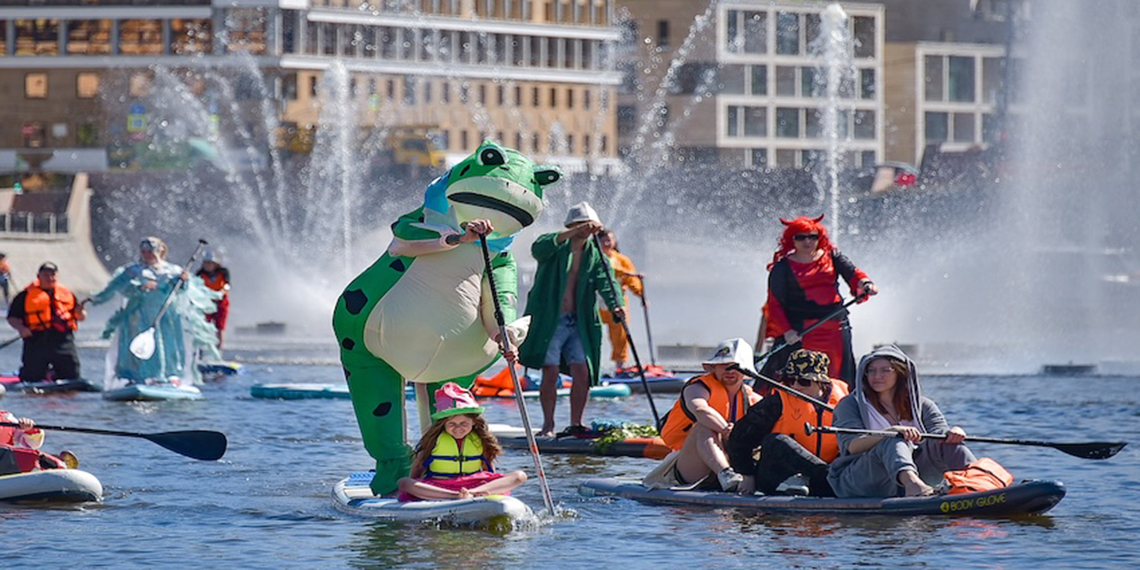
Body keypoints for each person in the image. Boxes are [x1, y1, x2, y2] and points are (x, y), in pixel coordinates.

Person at [518, 202, 624, 437]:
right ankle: (548, 425)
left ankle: (576, 423)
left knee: (582, 370)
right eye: (580, 226)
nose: (585, 231)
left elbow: (608, 282)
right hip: (551, 320)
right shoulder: (555, 246)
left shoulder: (595, 254)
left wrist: (617, 305)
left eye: (588, 227)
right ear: (571, 226)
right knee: (551, 371)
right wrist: (573, 232)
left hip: (580, 322)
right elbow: (539, 248)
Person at [828, 344, 975, 498]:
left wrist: (954, 432)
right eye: (871, 370)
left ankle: (979, 482)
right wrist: (889, 432)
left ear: (901, 373)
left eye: (885, 370)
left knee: (949, 443)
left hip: (916, 472)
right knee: (894, 439)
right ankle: (914, 487)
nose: (877, 376)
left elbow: (938, 433)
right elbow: (852, 446)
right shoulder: (849, 405)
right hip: (858, 480)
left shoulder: (923, 405)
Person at [761, 214, 878, 384]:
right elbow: (774, 304)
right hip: (800, 331)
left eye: (812, 237)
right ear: (791, 240)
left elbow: (854, 274)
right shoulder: (782, 268)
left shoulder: (833, 257)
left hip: (835, 327)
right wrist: (787, 331)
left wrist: (866, 283)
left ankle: (842, 406)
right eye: (800, 237)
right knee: (795, 375)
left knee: (841, 375)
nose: (807, 241)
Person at [87, 237, 220, 385]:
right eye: (143, 251)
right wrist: (139, 288)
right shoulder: (133, 270)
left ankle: (170, 375)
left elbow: (181, 291)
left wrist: (184, 281)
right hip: (140, 314)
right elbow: (121, 288)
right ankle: (138, 376)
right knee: (139, 346)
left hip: (166, 314)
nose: (146, 254)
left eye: (150, 251)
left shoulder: (173, 270)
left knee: (168, 344)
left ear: (159, 251)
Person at [727, 349, 849, 497]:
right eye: (790, 380)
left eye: (804, 381)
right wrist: (747, 475)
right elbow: (739, 438)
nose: (795, 386)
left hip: (827, 479)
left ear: (821, 382)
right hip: (779, 478)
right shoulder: (776, 402)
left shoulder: (846, 402)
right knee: (776, 441)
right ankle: (820, 476)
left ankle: (830, 479)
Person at [650, 338, 761, 492]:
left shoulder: (754, 400)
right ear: (714, 368)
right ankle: (725, 474)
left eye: (736, 367)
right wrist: (726, 429)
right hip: (693, 465)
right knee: (703, 426)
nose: (730, 371)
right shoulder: (697, 388)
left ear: (746, 371)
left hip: (737, 465)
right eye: (724, 365)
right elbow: (700, 409)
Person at [397, 382, 527, 501]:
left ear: (474, 422)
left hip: (475, 485)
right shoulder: (433, 441)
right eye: (452, 424)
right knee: (404, 482)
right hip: (440, 486)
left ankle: (470, 493)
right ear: (443, 424)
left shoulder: (481, 440)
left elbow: (489, 469)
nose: (458, 428)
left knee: (520, 476)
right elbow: (418, 468)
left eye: (464, 423)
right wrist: (413, 489)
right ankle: (456, 496)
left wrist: (492, 485)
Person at [7, 262, 86, 382]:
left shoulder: (67, 294)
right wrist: (22, 329)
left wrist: (80, 313)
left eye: (52, 275)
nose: (49, 278)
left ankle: (54, 376)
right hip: (36, 341)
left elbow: (80, 317)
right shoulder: (25, 296)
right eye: (46, 275)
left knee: (72, 376)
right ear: (38, 276)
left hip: (63, 341)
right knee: (32, 377)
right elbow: (12, 317)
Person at [597, 229, 644, 372]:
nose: (606, 243)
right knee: (593, 332)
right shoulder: (594, 258)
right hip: (596, 303)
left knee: (620, 335)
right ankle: (590, 365)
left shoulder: (622, 260)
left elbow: (632, 280)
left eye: (609, 240)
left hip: (618, 303)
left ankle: (620, 366)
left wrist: (639, 293)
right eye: (603, 240)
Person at [196, 251, 231, 350]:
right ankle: (203, 348)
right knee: (204, 324)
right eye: (206, 263)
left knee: (220, 326)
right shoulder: (200, 274)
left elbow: (227, 284)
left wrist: (222, 291)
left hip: (221, 302)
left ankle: (219, 348)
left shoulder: (223, 272)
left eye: (210, 263)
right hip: (206, 302)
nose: (207, 266)